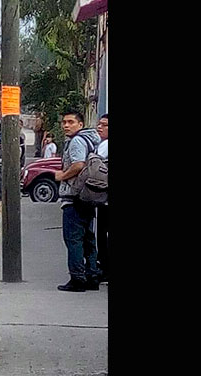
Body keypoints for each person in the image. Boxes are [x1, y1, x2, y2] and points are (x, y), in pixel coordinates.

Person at [54, 111, 102, 292]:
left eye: (71, 122)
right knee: (88, 238)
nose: (66, 125)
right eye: (64, 122)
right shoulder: (92, 140)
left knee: (73, 239)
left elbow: (78, 164)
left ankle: (77, 278)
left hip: (74, 196)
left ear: (80, 125)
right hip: (89, 196)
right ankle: (92, 275)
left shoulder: (76, 142)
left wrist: (62, 176)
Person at [94, 114, 109, 283]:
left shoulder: (104, 146)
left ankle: (104, 268)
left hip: (104, 197)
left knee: (102, 234)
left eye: (104, 125)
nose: (99, 127)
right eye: (99, 124)